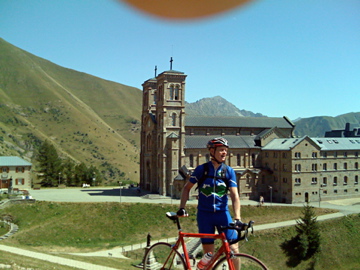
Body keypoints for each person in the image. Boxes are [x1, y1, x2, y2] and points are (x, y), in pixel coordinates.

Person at [177, 137, 242, 261]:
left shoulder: (229, 171)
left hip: (223, 214)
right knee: (209, 256)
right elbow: (186, 188)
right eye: (221, 150)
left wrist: (237, 218)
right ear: (212, 151)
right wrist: (182, 208)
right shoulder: (202, 170)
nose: (224, 153)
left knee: (234, 252)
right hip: (205, 216)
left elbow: (234, 195)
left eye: (226, 150)